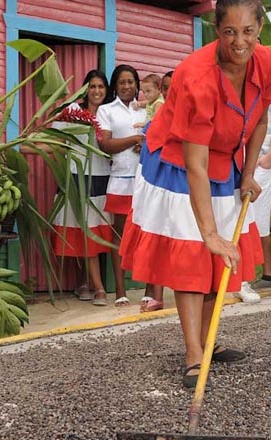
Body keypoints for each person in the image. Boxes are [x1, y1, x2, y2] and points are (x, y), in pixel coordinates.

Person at [118, 0, 271, 388]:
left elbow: (258, 120)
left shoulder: (268, 65)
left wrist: (248, 173)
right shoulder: (196, 76)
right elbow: (196, 166)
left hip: (225, 162)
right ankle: (193, 355)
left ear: (259, 31)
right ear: (216, 30)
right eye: (229, 32)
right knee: (193, 256)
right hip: (177, 163)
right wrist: (208, 234)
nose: (239, 42)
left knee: (217, 265)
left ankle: (209, 342)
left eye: (248, 32)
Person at [97, 65, 165, 310]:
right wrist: (136, 140)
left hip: (146, 180)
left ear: (137, 85)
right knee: (119, 237)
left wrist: (147, 144)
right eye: (122, 82)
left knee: (148, 234)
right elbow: (105, 144)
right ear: (115, 85)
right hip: (119, 180)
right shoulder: (106, 111)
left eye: (131, 82)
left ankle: (149, 290)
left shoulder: (146, 108)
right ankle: (121, 291)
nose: (127, 86)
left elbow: (161, 136)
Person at [51, 70, 114, 306]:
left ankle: (85, 283)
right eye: (92, 86)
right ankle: (99, 288)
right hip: (76, 178)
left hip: (103, 179)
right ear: (85, 89)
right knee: (83, 231)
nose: (97, 91)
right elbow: (56, 141)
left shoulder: (110, 113)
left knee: (92, 234)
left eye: (101, 87)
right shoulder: (73, 112)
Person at [241, 68, 271, 302]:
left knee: (255, 219)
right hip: (233, 155)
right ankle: (235, 278)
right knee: (231, 216)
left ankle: (244, 279)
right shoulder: (230, 69)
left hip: (261, 156)